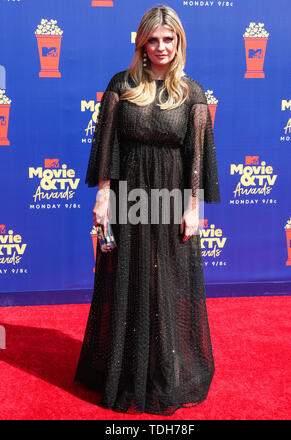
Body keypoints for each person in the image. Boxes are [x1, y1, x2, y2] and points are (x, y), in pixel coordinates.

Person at [74, 4, 221, 416]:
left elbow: (195, 156)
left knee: (166, 282)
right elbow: (108, 146)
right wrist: (103, 196)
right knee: (130, 277)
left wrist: (195, 207)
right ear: (141, 43)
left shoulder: (192, 92)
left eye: (168, 39)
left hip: (170, 196)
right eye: (152, 40)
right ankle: (124, 371)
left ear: (179, 43)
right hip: (129, 194)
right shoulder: (122, 84)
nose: (160, 47)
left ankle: (164, 370)